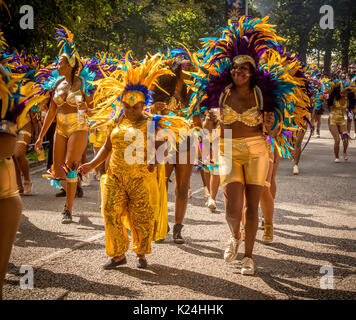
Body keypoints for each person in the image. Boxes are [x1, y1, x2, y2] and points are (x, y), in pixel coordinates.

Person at [183, 17, 309, 275]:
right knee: (231, 207)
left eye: (243, 69)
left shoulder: (263, 95)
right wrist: (207, 122)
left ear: (252, 72)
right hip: (228, 149)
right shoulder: (222, 93)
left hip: (256, 150)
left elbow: (273, 131)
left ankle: (249, 257)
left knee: (252, 205)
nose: (237, 72)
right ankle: (234, 235)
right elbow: (208, 130)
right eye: (234, 68)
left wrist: (273, 123)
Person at [80, 52, 189, 269]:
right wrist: (91, 164)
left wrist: (154, 162)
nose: (130, 110)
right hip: (116, 175)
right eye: (127, 106)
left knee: (140, 216)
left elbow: (163, 147)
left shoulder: (152, 123)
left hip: (140, 177)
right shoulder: (116, 121)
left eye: (135, 106)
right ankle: (118, 254)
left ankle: (140, 253)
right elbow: (106, 146)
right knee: (110, 212)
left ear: (143, 105)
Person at [35, 26, 94, 223]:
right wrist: (40, 136)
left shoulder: (82, 83)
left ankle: (67, 209)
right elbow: (51, 112)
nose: (56, 65)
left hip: (78, 126)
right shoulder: (57, 84)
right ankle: (73, 185)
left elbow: (93, 110)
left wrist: (86, 108)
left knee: (70, 165)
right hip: (60, 128)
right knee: (57, 169)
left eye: (60, 62)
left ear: (70, 64)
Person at [327, 83, 351, 162]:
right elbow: (327, 105)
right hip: (332, 120)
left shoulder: (347, 99)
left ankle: (344, 151)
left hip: (341, 120)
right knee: (337, 140)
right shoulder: (334, 99)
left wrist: (349, 117)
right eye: (341, 93)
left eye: (344, 93)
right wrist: (325, 99)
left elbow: (348, 110)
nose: (343, 95)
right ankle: (337, 156)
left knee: (345, 138)